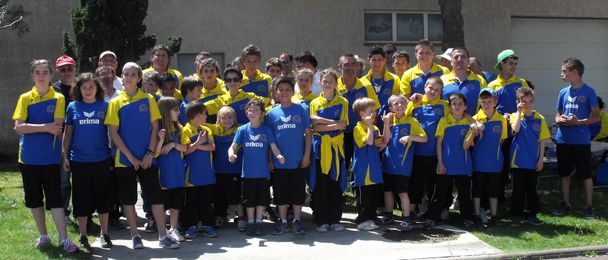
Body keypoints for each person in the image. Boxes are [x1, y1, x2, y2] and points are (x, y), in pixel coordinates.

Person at [104, 62, 177, 249]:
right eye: (125, 74)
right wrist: (131, 157)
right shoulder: (114, 102)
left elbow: (155, 128)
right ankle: (135, 235)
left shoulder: (148, 99)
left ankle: (163, 235)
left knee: (155, 197)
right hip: (124, 160)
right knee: (128, 199)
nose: (128, 77)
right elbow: (114, 133)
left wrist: (149, 153)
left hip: (147, 159)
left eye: (132, 74)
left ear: (139, 79)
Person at [13, 59, 78, 252]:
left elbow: (57, 127)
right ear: (32, 75)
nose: (41, 76)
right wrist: (44, 127)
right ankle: (43, 236)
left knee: (55, 199)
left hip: (50, 158)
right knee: (34, 199)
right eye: (37, 73)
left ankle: (64, 239)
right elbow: (18, 128)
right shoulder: (25, 98)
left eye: (45, 72)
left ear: (51, 75)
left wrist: (32, 127)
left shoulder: (58, 98)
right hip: (28, 158)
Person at [62, 73, 114, 250]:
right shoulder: (72, 107)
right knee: (81, 199)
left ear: (97, 88)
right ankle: (83, 235)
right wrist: (65, 155)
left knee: (103, 198)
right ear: (78, 89)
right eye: (84, 87)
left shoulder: (105, 106)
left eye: (91, 86)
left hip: (102, 159)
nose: (88, 90)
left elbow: (113, 133)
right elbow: (67, 134)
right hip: (79, 161)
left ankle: (104, 233)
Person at [229, 98, 285, 236]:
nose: (252, 112)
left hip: (263, 174)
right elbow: (233, 147)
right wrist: (231, 154)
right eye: (250, 110)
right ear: (246, 113)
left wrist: (279, 156)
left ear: (262, 113)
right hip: (247, 174)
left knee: (261, 200)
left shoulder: (266, 130)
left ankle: (259, 222)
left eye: (256, 110)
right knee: (249, 200)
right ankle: (251, 222)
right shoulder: (242, 130)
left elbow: (273, 147)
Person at [553, 58, 600, 219]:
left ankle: (589, 207)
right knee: (564, 173)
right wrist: (560, 120)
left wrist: (577, 122)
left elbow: (596, 117)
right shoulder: (563, 92)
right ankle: (565, 204)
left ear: (575, 72)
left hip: (580, 141)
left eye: (564, 71)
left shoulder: (589, 92)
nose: (562, 74)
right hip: (563, 139)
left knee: (585, 174)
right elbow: (558, 113)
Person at [265, 76, 312, 235]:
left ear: (293, 91)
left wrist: (306, 156)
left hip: (298, 160)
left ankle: (297, 220)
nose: (284, 92)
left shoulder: (301, 109)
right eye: (281, 90)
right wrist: (270, 159)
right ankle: (283, 221)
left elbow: (308, 134)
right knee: (280, 193)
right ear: (276, 93)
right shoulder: (271, 114)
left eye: (288, 89)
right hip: (279, 163)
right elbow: (270, 139)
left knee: (298, 191)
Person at [426, 93, 475, 228]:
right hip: (446, 165)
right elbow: (439, 143)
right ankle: (432, 217)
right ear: (449, 106)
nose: (457, 106)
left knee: (465, 194)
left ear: (465, 106)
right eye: (454, 104)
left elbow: (479, 127)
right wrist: (440, 162)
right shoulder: (444, 121)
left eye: (460, 104)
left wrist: (469, 117)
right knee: (439, 193)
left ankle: (467, 218)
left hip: (463, 165)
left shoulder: (469, 123)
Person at [488, 49, 530, 203]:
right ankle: (499, 199)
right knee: (501, 166)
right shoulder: (492, 85)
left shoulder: (521, 83)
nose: (514, 67)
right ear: (502, 64)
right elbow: (487, 108)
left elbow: (528, 105)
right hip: (499, 133)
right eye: (510, 63)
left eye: (515, 64)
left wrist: (514, 116)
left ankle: (519, 201)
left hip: (518, 132)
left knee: (518, 168)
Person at [309, 68, 349, 232]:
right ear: (320, 83)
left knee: (335, 183)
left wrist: (323, 124)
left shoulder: (343, 102)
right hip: (319, 149)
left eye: (330, 81)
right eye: (324, 81)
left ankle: (335, 219)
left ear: (336, 83)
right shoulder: (314, 103)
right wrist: (333, 124)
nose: (327, 84)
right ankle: (321, 220)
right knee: (321, 184)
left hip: (336, 148)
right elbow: (314, 126)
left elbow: (343, 125)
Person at [379, 94, 427, 231]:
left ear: (406, 105)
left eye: (402, 103)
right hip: (388, 163)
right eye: (396, 104)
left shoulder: (412, 121)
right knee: (388, 191)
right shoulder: (390, 120)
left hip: (402, 165)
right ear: (391, 108)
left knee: (403, 192)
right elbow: (386, 140)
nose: (399, 105)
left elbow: (424, 138)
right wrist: (386, 123)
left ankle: (406, 219)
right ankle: (389, 215)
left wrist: (410, 136)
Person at [405, 77, 450, 219]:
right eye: (431, 88)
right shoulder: (416, 103)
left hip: (435, 153)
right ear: (425, 87)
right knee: (415, 183)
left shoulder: (444, 106)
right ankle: (411, 211)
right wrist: (411, 101)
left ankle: (430, 212)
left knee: (433, 185)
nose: (433, 91)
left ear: (441, 92)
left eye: (437, 90)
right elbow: (404, 118)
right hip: (416, 152)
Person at [509, 88, 550, 226]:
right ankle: (516, 215)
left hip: (533, 161)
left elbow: (542, 140)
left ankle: (531, 214)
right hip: (518, 161)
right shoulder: (515, 116)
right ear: (518, 102)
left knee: (531, 189)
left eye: (530, 101)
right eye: (524, 101)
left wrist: (540, 159)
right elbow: (516, 129)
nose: (527, 104)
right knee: (517, 190)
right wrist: (519, 112)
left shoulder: (540, 119)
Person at [467, 88, 507, 227]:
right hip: (478, 162)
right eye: (483, 102)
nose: (486, 104)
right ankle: (477, 215)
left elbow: (502, 141)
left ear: (495, 102)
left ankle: (494, 215)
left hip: (495, 162)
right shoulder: (475, 119)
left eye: (489, 101)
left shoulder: (501, 120)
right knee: (477, 190)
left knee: (494, 190)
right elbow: (471, 141)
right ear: (480, 102)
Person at [180, 102, 218, 239]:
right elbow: (186, 150)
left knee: (206, 201)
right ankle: (190, 226)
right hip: (191, 176)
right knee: (190, 203)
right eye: (204, 113)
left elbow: (212, 147)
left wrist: (197, 145)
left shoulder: (206, 130)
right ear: (196, 116)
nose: (207, 116)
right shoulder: (185, 130)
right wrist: (199, 143)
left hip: (206, 173)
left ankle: (208, 225)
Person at [337, 54, 380, 171]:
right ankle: (340, 189)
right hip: (340, 134)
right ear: (339, 67)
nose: (350, 67)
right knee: (341, 167)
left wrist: (372, 131)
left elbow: (374, 110)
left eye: (353, 64)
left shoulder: (366, 86)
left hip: (362, 133)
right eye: (346, 64)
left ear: (357, 67)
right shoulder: (334, 86)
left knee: (361, 167)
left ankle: (358, 189)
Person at [154, 97, 188, 243]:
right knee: (162, 203)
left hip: (178, 173)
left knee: (176, 203)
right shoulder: (156, 129)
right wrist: (161, 140)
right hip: (163, 174)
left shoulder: (179, 128)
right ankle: (163, 230)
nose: (178, 112)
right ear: (166, 112)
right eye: (175, 110)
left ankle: (174, 228)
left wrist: (173, 144)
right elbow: (155, 153)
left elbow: (185, 148)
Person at [351, 97, 387, 231]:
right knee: (365, 196)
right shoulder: (358, 128)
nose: (374, 113)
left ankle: (371, 217)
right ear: (362, 114)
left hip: (374, 167)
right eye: (371, 111)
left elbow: (382, 144)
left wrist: (387, 124)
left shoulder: (375, 127)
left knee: (374, 195)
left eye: (375, 111)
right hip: (363, 168)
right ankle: (362, 220)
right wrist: (370, 126)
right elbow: (369, 141)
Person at [208, 106, 245, 231]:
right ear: (219, 119)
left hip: (235, 169)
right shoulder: (214, 129)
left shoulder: (240, 129)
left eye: (230, 117)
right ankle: (220, 216)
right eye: (223, 118)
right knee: (219, 196)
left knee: (235, 195)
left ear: (234, 118)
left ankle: (241, 217)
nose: (227, 120)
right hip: (218, 170)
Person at [53, 55, 77, 226]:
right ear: (57, 71)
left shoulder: (82, 87)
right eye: (63, 69)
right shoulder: (53, 90)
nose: (67, 72)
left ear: (75, 69)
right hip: (62, 141)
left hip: (83, 140)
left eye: (69, 68)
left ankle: (82, 211)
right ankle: (64, 212)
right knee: (63, 179)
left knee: (81, 179)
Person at [205, 66, 269, 124]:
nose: (232, 83)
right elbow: (202, 108)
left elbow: (268, 103)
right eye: (229, 80)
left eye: (235, 80)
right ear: (225, 82)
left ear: (240, 81)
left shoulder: (250, 97)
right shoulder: (220, 100)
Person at [362, 45, 401, 131]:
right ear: (369, 61)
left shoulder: (394, 79)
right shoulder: (362, 82)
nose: (377, 63)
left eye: (380, 60)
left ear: (384, 60)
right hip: (368, 126)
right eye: (374, 60)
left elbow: (397, 103)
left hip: (390, 125)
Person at [441, 47, 487, 116]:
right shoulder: (442, 80)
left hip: (472, 125)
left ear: (468, 61)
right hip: (448, 126)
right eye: (456, 57)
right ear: (451, 62)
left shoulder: (480, 80)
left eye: (463, 57)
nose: (459, 60)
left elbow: (487, 105)